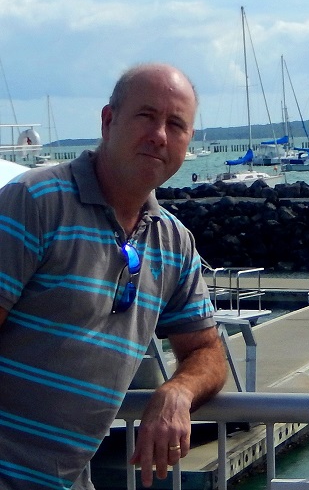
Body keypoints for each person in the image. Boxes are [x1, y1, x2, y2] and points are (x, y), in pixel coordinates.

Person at [0, 63, 227, 489]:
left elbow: (207, 352)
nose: (159, 134)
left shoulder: (174, 243)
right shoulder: (35, 203)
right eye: (146, 116)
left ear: (188, 141)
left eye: (175, 124)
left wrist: (177, 391)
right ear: (109, 121)